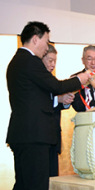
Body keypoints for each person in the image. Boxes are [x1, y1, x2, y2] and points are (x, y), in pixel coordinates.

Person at [6, 21, 89, 190]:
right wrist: (80, 79)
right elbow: (54, 85)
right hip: (34, 134)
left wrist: (58, 100)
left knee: (23, 185)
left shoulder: (17, 62)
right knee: (36, 187)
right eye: (46, 41)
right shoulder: (30, 61)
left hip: (22, 133)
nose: (47, 46)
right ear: (36, 38)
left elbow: (36, 95)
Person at [41, 44, 75, 176]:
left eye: (55, 61)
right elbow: (42, 103)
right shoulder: (38, 79)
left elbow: (56, 104)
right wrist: (58, 99)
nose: (53, 64)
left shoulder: (51, 79)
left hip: (53, 136)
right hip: (40, 137)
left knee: (53, 177)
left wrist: (65, 101)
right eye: (50, 60)